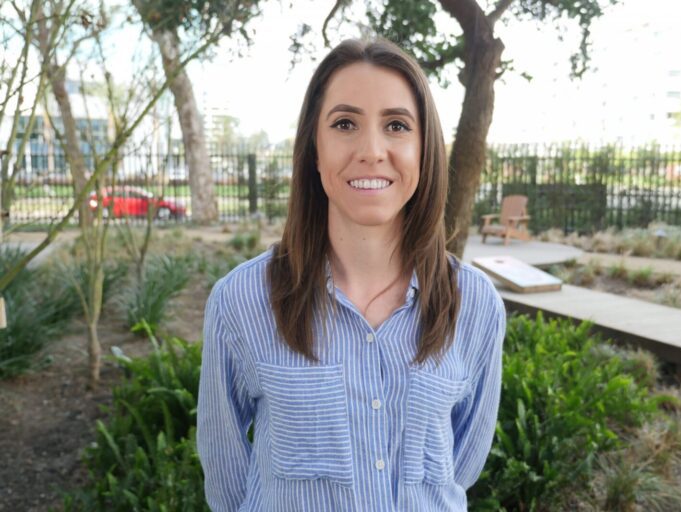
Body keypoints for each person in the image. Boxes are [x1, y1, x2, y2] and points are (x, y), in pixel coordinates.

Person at [197, 37, 506, 512]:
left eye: (397, 125)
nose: (371, 150)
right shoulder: (241, 301)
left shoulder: (476, 304)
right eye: (345, 124)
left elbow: (461, 464)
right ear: (314, 149)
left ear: (424, 151)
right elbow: (226, 474)